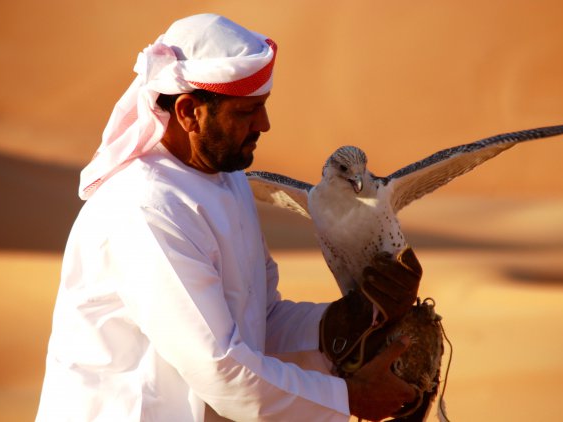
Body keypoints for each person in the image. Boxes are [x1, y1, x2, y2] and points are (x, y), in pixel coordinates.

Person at [36, 13, 419, 421]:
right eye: (246, 112)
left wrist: (357, 317)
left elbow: (259, 320)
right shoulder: (147, 206)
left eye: (264, 107)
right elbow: (219, 365)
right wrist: (349, 398)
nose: (264, 124)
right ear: (188, 113)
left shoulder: (226, 181)